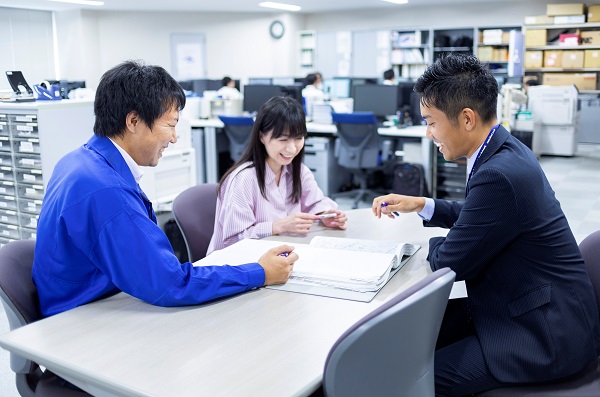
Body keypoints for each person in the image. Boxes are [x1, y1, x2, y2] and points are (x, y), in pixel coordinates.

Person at [372, 54, 600, 396]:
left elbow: (450, 262)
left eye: (432, 122)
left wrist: (430, 245)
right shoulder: (504, 149)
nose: (428, 132)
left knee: (410, 379)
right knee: (412, 335)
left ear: (466, 118)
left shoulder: (498, 173)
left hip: (543, 336)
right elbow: (483, 214)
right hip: (529, 305)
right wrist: (424, 205)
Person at [33, 60, 298, 318]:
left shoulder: (81, 160)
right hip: (79, 322)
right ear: (133, 121)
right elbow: (171, 284)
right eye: (170, 125)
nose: (174, 137)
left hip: (100, 298)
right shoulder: (105, 190)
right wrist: (260, 272)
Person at [207, 96, 347, 254]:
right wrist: (278, 226)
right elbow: (233, 241)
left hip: (278, 257)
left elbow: (316, 202)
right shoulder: (243, 179)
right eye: (283, 140)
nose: (292, 149)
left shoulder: (299, 171)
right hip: (237, 266)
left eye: (298, 139)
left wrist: (324, 215)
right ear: (261, 137)